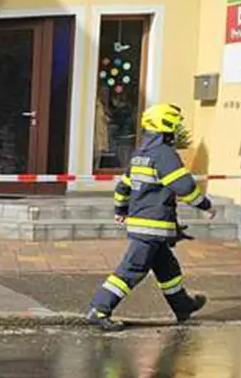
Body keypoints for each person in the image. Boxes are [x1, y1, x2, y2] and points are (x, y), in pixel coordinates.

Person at [85, 103, 214, 332]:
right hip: (153, 225)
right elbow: (184, 187)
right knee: (132, 269)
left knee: (167, 268)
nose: (176, 130)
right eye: (174, 126)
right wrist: (205, 205)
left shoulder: (140, 154)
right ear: (167, 127)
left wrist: (120, 210)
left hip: (143, 223)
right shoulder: (164, 154)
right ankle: (100, 308)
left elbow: (123, 187)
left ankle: (182, 306)